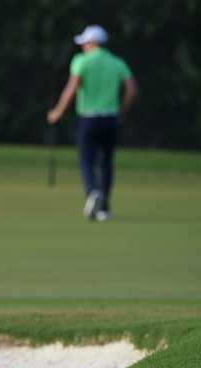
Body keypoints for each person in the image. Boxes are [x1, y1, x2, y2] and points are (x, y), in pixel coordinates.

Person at [47, 25, 137, 222]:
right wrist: (122, 112)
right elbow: (131, 90)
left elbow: (71, 89)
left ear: (92, 43)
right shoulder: (117, 62)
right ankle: (104, 208)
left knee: (86, 160)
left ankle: (93, 192)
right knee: (106, 162)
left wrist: (58, 112)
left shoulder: (81, 61)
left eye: (85, 43)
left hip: (88, 118)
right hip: (111, 118)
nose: (83, 47)